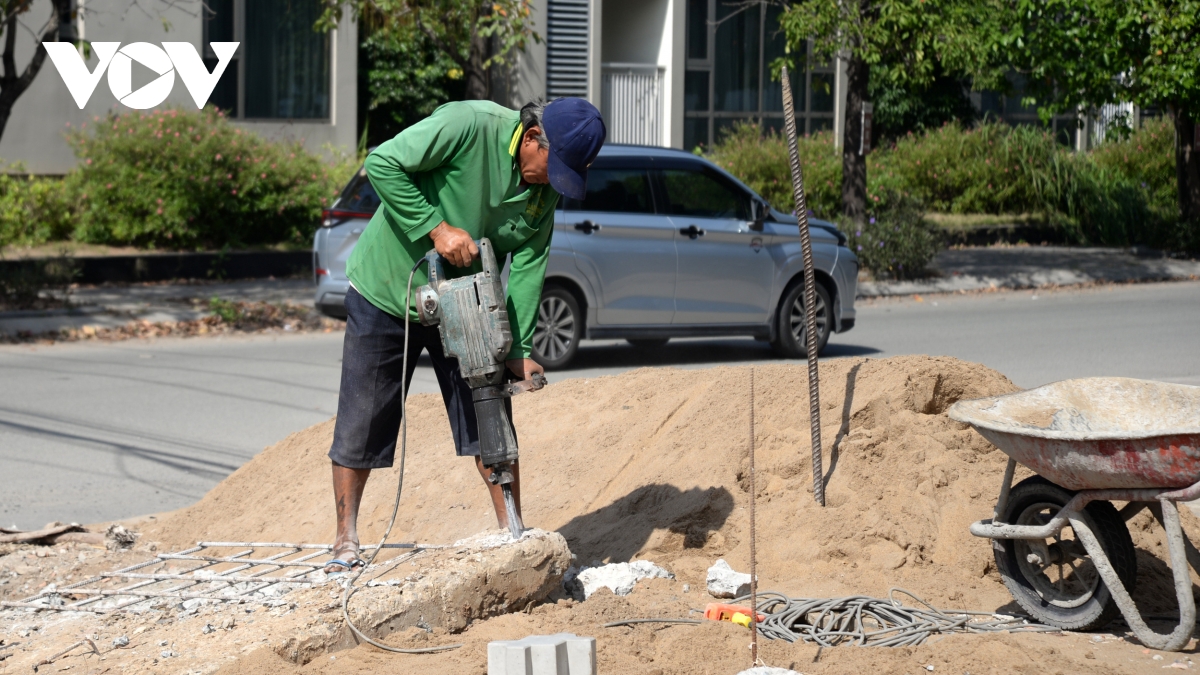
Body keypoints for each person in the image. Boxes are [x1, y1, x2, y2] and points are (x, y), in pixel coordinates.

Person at [323, 98, 606, 573]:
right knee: (364, 417)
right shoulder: (469, 125)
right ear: (533, 138)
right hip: (389, 287)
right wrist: (436, 229)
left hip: (467, 301)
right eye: (552, 168)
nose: (552, 182)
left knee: (490, 412)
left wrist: (516, 350)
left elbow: (529, 268)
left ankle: (512, 530)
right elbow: (381, 162)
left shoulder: (544, 191)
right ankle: (344, 541)